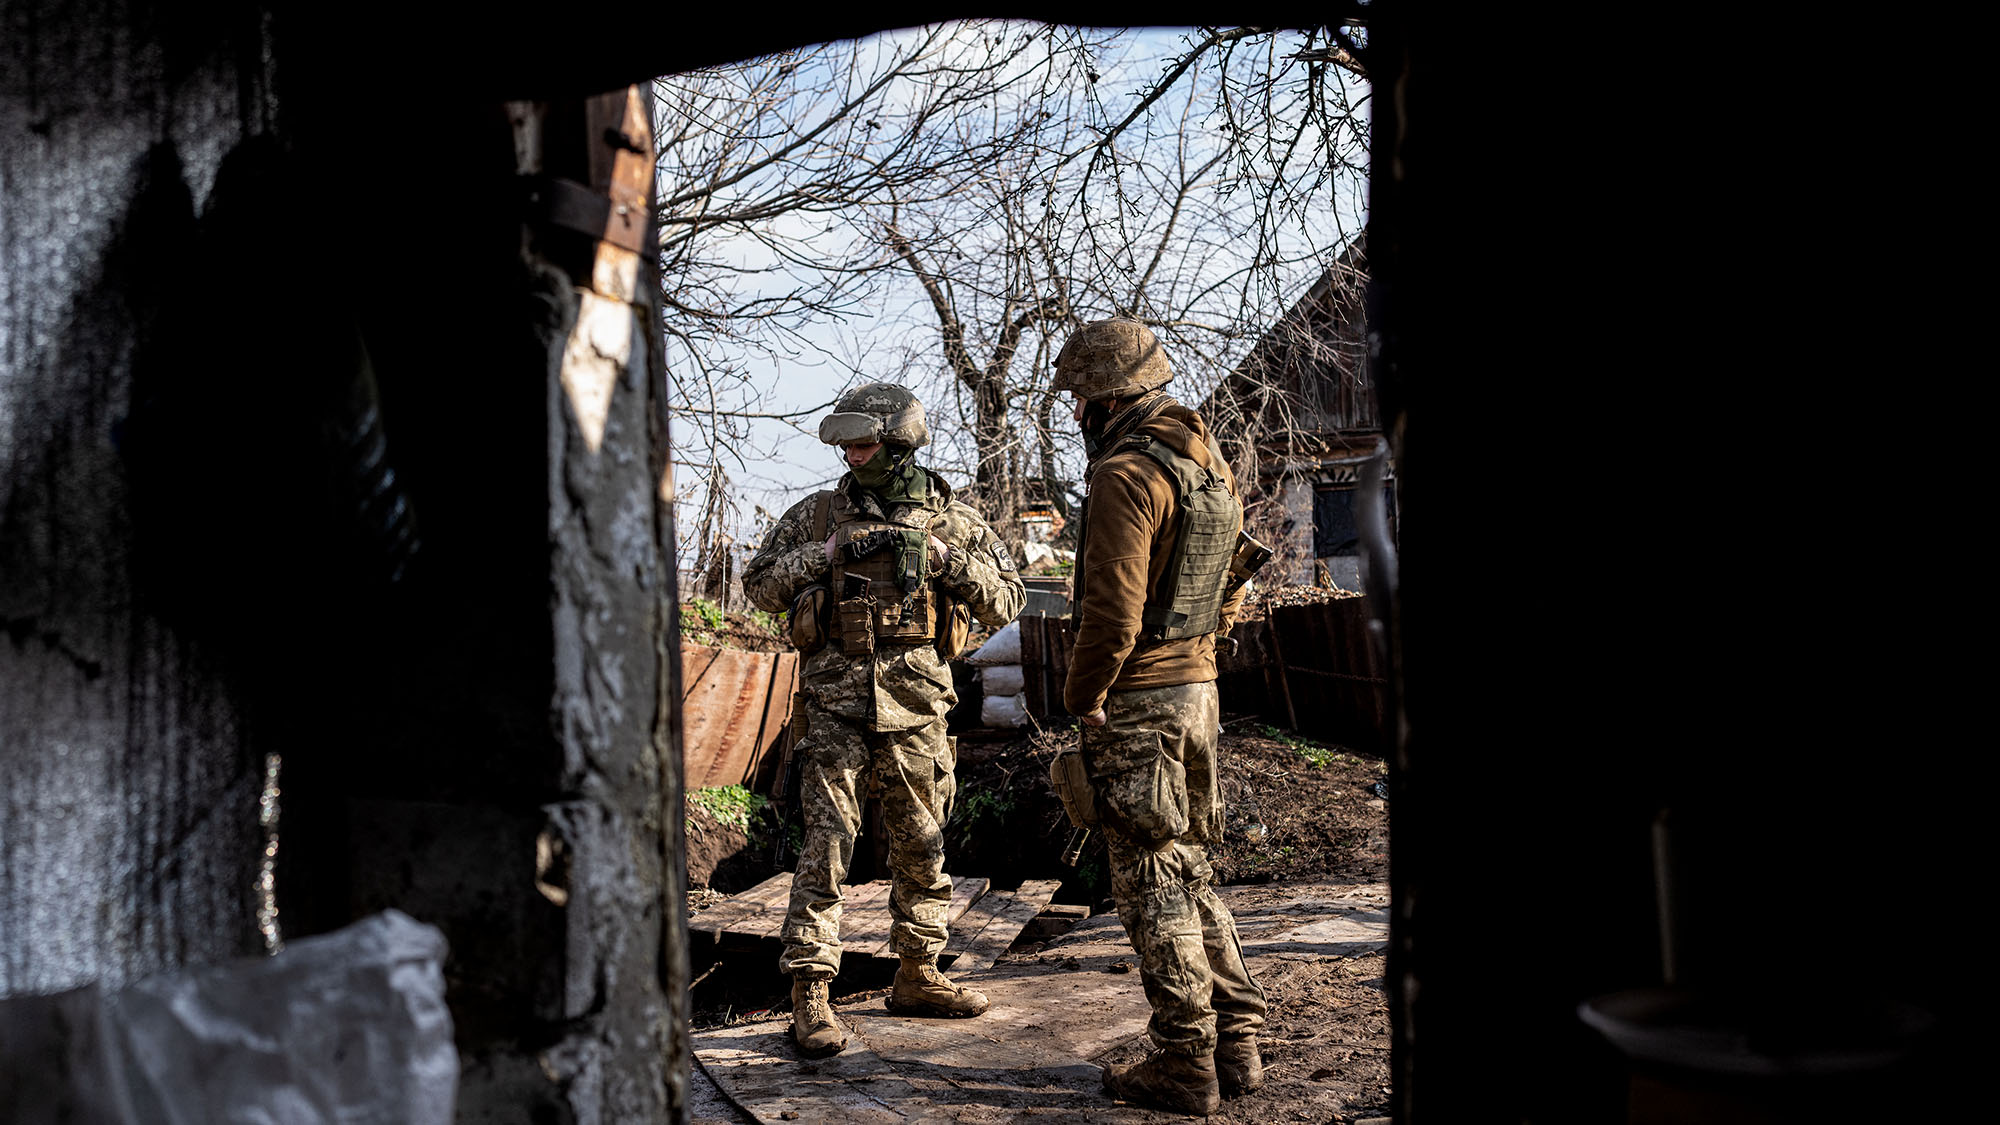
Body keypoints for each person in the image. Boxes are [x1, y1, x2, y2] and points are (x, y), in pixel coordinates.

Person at [742, 382, 1026, 1058]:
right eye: (844, 442)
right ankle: (811, 992)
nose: (850, 451)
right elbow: (759, 585)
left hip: (919, 706)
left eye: (863, 439)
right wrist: (826, 554)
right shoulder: (817, 514)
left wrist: (949, 563)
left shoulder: (950, 519)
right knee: (827, 844)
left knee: (922, 842)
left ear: (899, 438)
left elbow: (1008, 600)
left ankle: (918, 973)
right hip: (835, 706)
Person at [1054, 318, 1268, 1115]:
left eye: (1079, 397)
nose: (1075, 411)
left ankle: (1187, 1061)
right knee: (1189, 865)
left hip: (1140, 700)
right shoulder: (1202, 458)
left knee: (1150, 878)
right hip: (1197, 692)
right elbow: (1239, 572)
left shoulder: (1125, 474)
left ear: (1107, 397)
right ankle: (1237, 1039)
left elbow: (1110, 612)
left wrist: (1085, 698)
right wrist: (1198, 657)